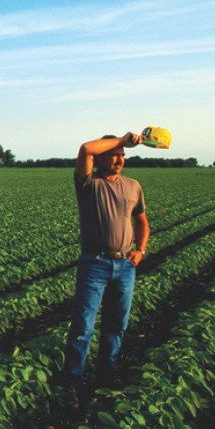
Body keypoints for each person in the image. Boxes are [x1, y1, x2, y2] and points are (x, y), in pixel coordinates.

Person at [63, 132, 150, 409]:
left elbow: (142, 222)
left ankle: (107, 377)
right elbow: (85, 148)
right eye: (114, 154)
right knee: (82, 328)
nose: (119, 159)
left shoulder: (133, 186)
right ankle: (72, 385)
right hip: (95, 264)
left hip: (125, 265)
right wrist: (122, 140)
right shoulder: (88, 184)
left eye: (122, 155)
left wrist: (141, 249)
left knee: (116, 326)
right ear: (100, 158)